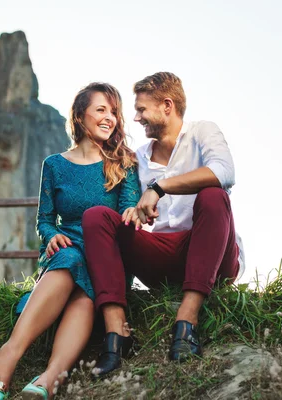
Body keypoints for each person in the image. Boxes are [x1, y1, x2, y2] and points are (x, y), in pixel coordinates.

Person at [0, 82, 140, 400]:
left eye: (114, 112)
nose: (110, 118)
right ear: (80, 116)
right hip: (66, 249)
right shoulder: (53, 165)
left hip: (105, 253)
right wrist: (52, 236)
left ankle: (50, 377)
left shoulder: (123, 163)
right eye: (101, 109)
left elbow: (126, 219)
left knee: (85, 288)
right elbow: (45, 221)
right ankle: (8, 355)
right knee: (69, 257)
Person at [82, 72, 245, 377]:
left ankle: (187, 321)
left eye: (142, 109)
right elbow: (130, 203)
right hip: (164, 255)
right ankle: (117, 335)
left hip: (213, 255)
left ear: (166, 105)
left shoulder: (203, 132)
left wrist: (160, 188)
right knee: (96, 217)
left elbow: (224, 172)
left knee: (213, 195)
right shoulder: (138, 158)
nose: (136, 116)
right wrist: (134, 212)